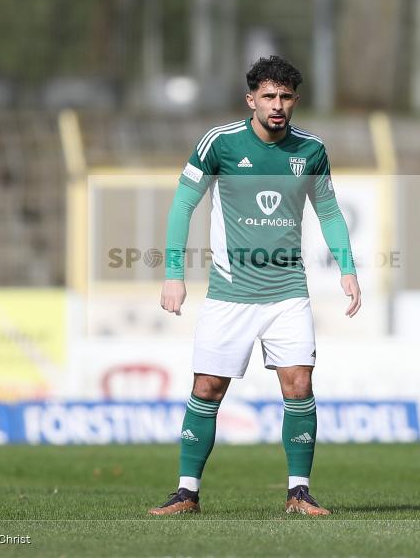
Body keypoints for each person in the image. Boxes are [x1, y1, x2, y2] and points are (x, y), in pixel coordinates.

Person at [149, 55, 361, 516]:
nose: (277, 105)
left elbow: (328, 210)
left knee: (299, 383)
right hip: (229, 293)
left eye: (285, 97)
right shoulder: (219, 143)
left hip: (287, 291)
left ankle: (298, 492)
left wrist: (347, 267)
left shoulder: (311, 150)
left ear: (295, 101)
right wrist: (173, 274)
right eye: (268, 96)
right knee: (207, 387)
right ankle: (186, 492)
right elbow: (183, 204)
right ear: (251, 100)